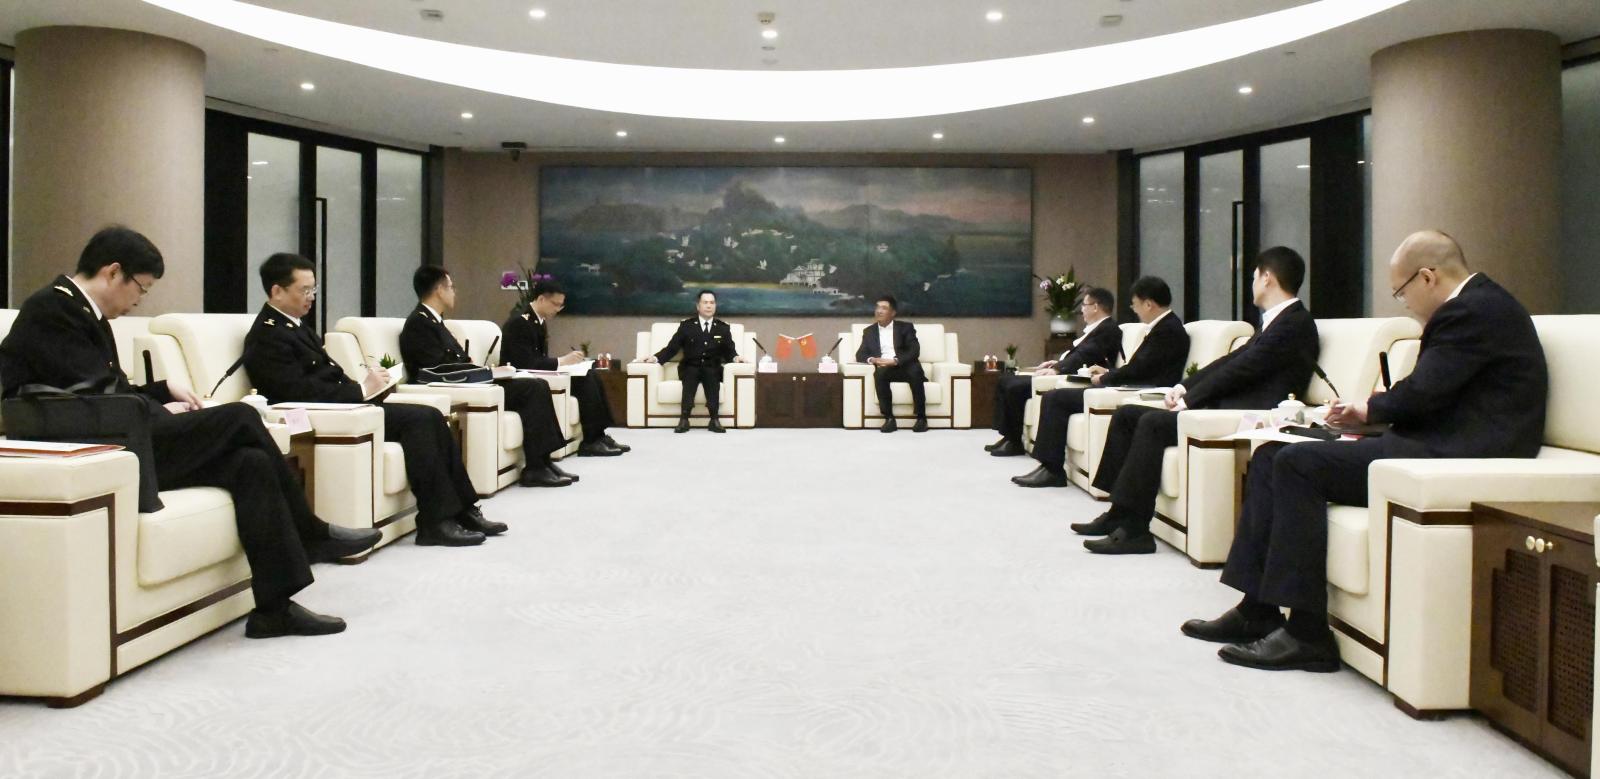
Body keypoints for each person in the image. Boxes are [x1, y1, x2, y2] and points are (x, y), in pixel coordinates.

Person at [1182, 231, 1547, 673]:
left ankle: (1307, 634)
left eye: (1401, 292)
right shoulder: (1478, 306)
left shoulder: (1471, 311)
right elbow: (1433, 391)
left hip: (1462, 451)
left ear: (1427, 277)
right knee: (1270, 455)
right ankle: (1257, 609)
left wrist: (1368, 410)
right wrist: (1371, 414)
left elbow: (1424, 393)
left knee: (1297, 463)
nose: (1404, 303)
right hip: (1439, 438)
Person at [0, 227, 379, 638]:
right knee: (241, 417)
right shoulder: (54, 310)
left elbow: (103, 389)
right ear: (113, 273)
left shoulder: (84, 312)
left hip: (121, 434)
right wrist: (157, 409)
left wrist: (163, 391)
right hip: (107, 450)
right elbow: (93, 399)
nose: (138, 301)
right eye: (141, 288)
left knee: (250, 463)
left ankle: (274, 608)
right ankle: (312, 532)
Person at [244, 253, 505, 547]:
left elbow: (327, 376)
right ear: (277, 291)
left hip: (349, 405)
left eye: (313, 289)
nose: (311, 297)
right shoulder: (268, 334)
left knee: (430, 415)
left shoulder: (295, 326)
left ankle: (464, 509)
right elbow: (294, 391)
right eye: (304, 290)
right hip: (329, 413)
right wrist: (359, 391)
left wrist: (369, 386)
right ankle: (435, 521)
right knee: (419, 420)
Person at [1079, 248, 1319, 554]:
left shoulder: (1294, 323)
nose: (1252, 284)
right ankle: (1118, 513)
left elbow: (1244, 369)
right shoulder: (1275, 321)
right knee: (1128, 415)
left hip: (1253, 412)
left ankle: (1135, 530)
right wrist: (1184, 387)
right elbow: (1231, 360)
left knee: (1152, 423)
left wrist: (1191, 400)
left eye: (1254, 277)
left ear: (1267, 278)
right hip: (1228, 405)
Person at [398, 265, 575, 488]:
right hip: (458, 387)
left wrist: (486, 371)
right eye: (451, 287)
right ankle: (536, 467)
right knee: (531, 388)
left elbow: (455, 361)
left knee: (537, 384)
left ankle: (542, 461)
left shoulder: (435, 321)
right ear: (439, 290)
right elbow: (436, 370)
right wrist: (484, 373)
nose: (454, 292)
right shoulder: (419, 324)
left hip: (470, 382)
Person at [1012, 276, 1189, 488]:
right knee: (1055, 397)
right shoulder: (1163, 327)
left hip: (1143, 390)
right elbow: (1140, 366)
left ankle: (1052, 470)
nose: (1134, 310)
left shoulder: (1168, 330)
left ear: (1148, 304)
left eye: (1135, 304)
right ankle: (1048, 466)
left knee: (1057, 399)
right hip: (1130, 384)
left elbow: (1140, 369)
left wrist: (1105, 377)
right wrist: (1109, 372)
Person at [988, 286, 1121, 457]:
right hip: (1066, 370)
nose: (1081, 310)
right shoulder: (1097, 329)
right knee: (1005, 379)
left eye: (1084, 305)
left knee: (1015, 387)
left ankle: (1014, 441)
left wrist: (1058, 369)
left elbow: (1085, 355)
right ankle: (1008, 436)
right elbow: (1080, 354)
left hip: (1075, 377)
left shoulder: (1108, 329)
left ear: (1095, 307)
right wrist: (1057, 363)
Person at [500, 280, 627, 457]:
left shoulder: (538, 321)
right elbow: (525, 362)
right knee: (585, 381)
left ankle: (598, 435)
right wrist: (562, 361)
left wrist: (566, 363)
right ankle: (591, 440)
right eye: (555, 304)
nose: (558, 309)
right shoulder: (519, 322)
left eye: (561, 305)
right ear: (542, 299)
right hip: (525, 378)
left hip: (539, 373)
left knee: (590, 375)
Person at [641, 289, 747, 433]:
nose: (709, 306)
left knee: (712, 376)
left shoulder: (723, 328)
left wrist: (736, 358)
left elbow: (729, 351)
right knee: (690, 375)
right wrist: (655, 358)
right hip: (690, 366)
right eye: (705, 302)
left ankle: (714, 420)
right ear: (698, 306)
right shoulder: (687, 326)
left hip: (712, 367)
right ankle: (684, 419)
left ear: (715, 306)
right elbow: (672, 348)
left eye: (712, 303)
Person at [855, 295, 928, 433]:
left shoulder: (905, 327)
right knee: (879, 373)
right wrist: (874, 360)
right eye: (877, 307)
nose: (879, 311)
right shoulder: (869, 331)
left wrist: (895, 361)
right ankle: (889, 419)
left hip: (904, 365)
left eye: (884, 308)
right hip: (885, 368)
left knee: (915, 370)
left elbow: (914, 350)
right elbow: (860, 354)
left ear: (893, 312)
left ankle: (921, 418)